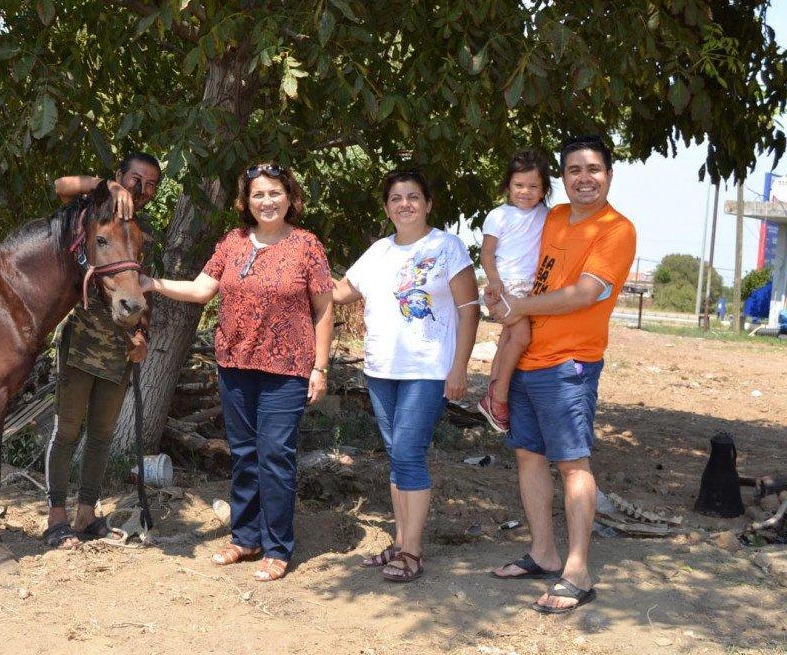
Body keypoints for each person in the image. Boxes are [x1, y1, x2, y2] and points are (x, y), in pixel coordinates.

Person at [142, 163, 333, 582]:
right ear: (246, 202)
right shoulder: (232, 243)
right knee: (244, 455)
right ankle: (246, 538)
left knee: (275, 456)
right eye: (258, 195)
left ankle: (278, 546)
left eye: (275, 193)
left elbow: (324, 309)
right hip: (234, 366)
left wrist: (320, 367)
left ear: (289, 198)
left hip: (287, 370)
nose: (267, 201)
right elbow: (200, 289)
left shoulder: (306, 246)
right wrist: (152, 283)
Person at [486, 135, 636, 614]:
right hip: (529, 358)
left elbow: (584, 293)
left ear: (608, 174)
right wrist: (499, 297)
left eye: (593, 168)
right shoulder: (550, 217)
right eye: (574, 170)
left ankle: (577, 570)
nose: (584, 178)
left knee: (573, 464)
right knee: (529, 457)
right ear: (563, 178)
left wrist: (517, 306)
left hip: (569, 362)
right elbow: (511, 254)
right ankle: (543, 552)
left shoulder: (616, 230)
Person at [331, 169, 479, 582]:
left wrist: (460, 366)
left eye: (413, 196)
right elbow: (340, 291)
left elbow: (470, 310)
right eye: (396, 198)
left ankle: (412, 551)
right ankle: (400, 541)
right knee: (398, 457)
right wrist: (300, 267)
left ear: (428, 204)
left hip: (428, 371)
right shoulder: (378, 251)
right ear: (387, 207)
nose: (405, 204)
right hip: (381, 369)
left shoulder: (447, 247)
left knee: (409, 454)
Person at [42, 152, 162, 549]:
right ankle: (56, 518)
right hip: (81, 347)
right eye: (134, 180)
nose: (140, 190)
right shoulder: (94, 209)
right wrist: (105, 186)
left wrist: (142, 337)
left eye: (150, 185)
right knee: (67, 431)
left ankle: (86, 513)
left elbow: (138, 288)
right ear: (120, 177)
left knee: (102, 436)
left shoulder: (138, 233)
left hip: (118, 354)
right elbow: (61, 185)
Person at [477, 150, 552, 433]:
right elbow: (487, 254)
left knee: (508, 339)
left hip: (530, 292)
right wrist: (494, 281)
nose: (525, 192)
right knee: (522, 337)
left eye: (534, 186)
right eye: (519, 185)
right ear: (508, 185)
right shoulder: (499, 216)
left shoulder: (546, 215)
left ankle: (491, 395)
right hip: (507, 289)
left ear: (544, 189)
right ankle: (499, 397)